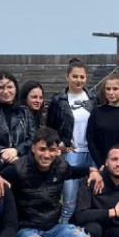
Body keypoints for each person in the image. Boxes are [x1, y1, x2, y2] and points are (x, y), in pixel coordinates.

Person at [0, 127, 100, 237]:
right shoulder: (18, 168)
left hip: (53, 226)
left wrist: (93, 170)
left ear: (57, 151)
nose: (47, 155)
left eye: (52, 150)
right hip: (26, 228)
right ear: (33, 148)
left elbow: (75, 171)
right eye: (42, 149)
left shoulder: (60, 165)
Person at [45, 60, 96, 223]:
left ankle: (82, 232)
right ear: (67, 77)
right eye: (75, 76)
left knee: (87, 199)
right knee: (69, 201)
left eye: (82, 77)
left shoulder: (93, 98)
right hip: (70, 154)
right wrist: (59, 146)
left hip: (90, 154)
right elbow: (50, 128)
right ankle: (65, 229)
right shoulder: (58, 100)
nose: (78, 80)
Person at [87, 72, 119, 174]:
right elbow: (90, 139)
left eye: (115, 89)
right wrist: (100, 164)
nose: (111, 92)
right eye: (108, 89)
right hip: (99, 163)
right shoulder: (97, 112)